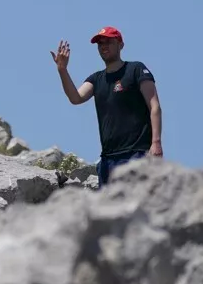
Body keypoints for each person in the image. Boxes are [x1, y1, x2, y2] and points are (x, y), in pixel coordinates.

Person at [51, 26, 162, 188]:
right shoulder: (97, 79)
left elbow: (155, 107)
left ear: (120, 45)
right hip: (108, 160)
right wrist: (62, 70)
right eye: (100, 43)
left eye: (109, 42)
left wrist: (156, 143)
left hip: (137, 154)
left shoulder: (135, 70)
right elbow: (75, 98)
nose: (103, 46)